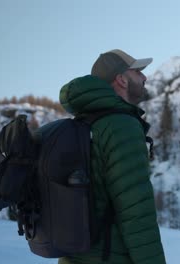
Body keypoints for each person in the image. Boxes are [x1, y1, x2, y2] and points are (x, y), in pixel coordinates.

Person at [58, 49, 166, 264]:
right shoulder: (121, 126)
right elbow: (136, 212)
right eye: (137, 72)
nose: (144, 77)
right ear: (121, 80)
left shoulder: (81, 125)